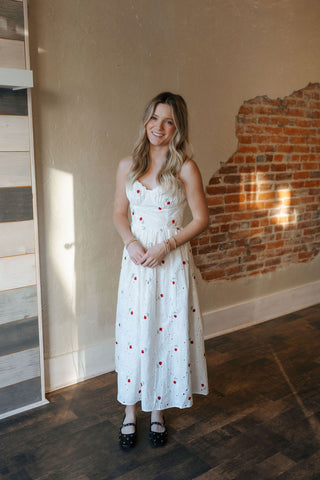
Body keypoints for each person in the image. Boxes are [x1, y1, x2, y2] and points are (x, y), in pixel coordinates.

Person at [113, 91, 209, 449]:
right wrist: (131, 243)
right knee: (136, 334)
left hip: (171, 265)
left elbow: (202, 219)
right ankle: (129, 413)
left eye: (168, 121)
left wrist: (167, 244)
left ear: (177, 128)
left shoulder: (185, 167)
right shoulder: (128, 165)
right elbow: (119, 214)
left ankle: (157, 412)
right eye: (154, 118)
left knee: (164, 333)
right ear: (146, 121)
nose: (159, 127)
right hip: (136, 265)